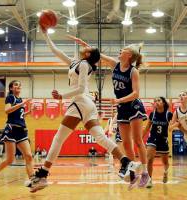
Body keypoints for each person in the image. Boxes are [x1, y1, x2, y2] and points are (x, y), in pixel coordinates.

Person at [29, 32, 139, 193]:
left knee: (58, 138)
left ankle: (43, 174)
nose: (84, 47)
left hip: (80, 101)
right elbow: (55, 51)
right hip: (87, 104)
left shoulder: (84, 65)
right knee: (100, 137)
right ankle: (125, 161)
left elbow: (80, 89)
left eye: (87, 48)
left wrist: (61, 97)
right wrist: (45, 35)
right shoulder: (76, 62)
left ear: (88, 54)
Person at [69, 35, 149, 189]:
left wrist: (118, 100)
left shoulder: (133, 71)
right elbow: (98, 55)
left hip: (133, 106)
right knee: (126, 143)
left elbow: (136, 93)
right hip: (122, 108)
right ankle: (133, 174)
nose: (120, 51)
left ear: (129, 55)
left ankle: (145, 173)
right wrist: (86, 45)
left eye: (123, 50)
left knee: (138, 140)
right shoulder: (115, 64)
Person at [0, 80, 34, 189]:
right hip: (11, 130)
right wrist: (22, 104)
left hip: (21, 130)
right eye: (16, 84)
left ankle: (33, 180)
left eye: (19, 85)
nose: (18, 86)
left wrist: (29, 112)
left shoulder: (19, 100)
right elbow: (7, 110)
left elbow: (19, 116)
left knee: (29, 156)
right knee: (10, 159)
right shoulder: (10, 97)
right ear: (11, 88)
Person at [143, 97, 172, 188]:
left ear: (163, 103)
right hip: (152, 138)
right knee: (150, 159)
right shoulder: (152, 114)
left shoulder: (168, 114)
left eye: (159, 100)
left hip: (163, 139)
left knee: (165, 162)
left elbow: (177, 123)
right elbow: (147, 127)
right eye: (155, 101)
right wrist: (140, 138)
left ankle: (166, 172)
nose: (156, 102)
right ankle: (149, 179)